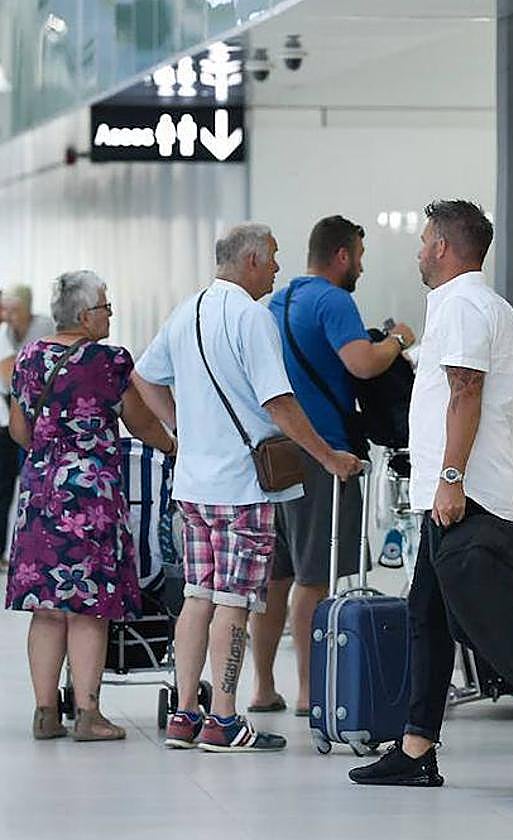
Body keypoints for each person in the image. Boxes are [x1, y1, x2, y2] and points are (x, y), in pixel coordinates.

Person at [347, 200, 513, 794]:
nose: (417, 251)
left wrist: (451, 480)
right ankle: (416, 748)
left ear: (442, 246)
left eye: (423, 241)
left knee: (493, 627)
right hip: (469, 489)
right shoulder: (485, 306)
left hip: (465, 494)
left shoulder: (463, 306)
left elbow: (466, 394)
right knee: (430, 615)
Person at [133, 223, 361, 753]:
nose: (279, 268)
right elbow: (279, 403)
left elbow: (143, 379)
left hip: (191, 486)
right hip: (241, 489)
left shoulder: (187, 310)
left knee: (197, 596)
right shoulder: (251, 317)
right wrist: (327, 457)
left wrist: (181, 429)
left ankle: (184, 714)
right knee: (235, 602)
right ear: (253, 261)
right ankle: (225, 718)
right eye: (274, 258)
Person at [249, 215, 415, 716]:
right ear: (342, 255)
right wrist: (399, 339)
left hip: (272, 454)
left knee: (275, 577)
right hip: (320, 453)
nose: (360, 265)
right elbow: (362, 362)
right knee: (313, 577)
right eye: (359, 256)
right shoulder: (334, 300)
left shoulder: (277, 302)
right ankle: (307, 691)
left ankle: (263, 688)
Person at [5, 270, 176, 741]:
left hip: (40, 493)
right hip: (90, 499)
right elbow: (141, 424)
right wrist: (174, 447)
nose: (110, 313)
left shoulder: (30, 358)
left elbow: (20, 430)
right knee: (87, 607)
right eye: (105, 306)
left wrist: (49, 449)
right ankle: (88, 714)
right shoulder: (108, 361)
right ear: (84, 315)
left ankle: (44, 712)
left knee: (47, 607)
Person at [0, 285, 55, 569]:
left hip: (40, 411)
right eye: (5, 310)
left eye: (12, 310)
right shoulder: (6, 332)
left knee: (30, 479)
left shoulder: (42, 326)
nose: (7, 315)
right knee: (19, 481)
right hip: (17, 410)